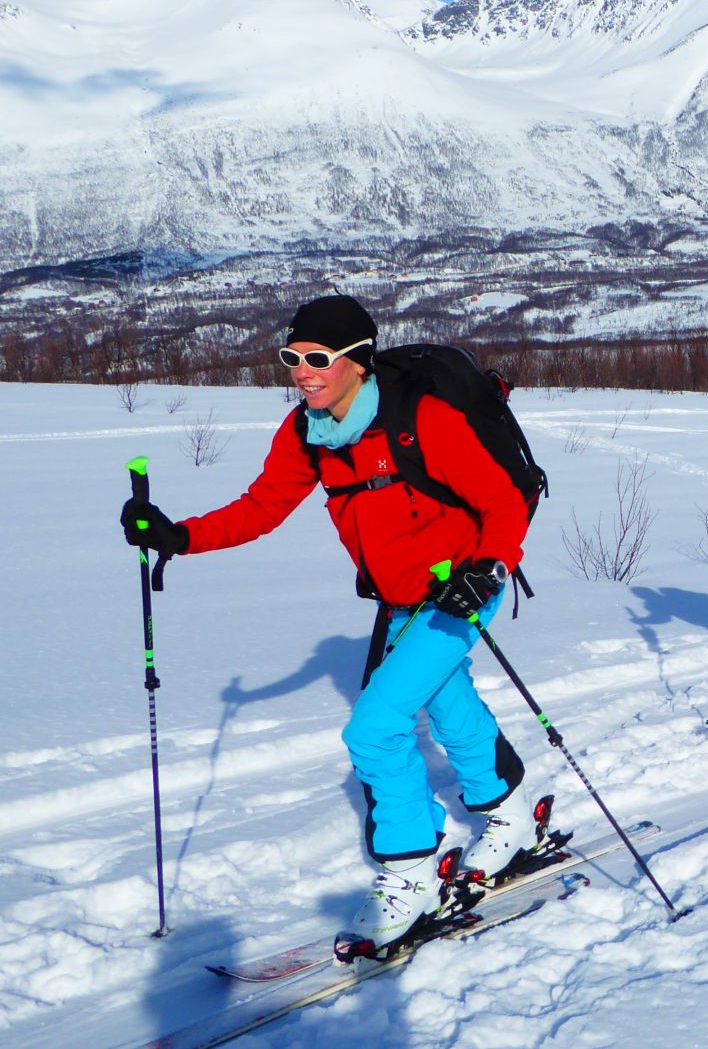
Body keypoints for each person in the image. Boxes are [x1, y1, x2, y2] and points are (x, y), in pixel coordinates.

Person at [118, 296, 534, 953]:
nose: (303, 372)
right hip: (402, 596)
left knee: (373, 727)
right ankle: (509, 816)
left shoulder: (421, 418)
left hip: (461, 586)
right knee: (448, 704)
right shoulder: (307, 432)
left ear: (358, 360)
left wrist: (487, 569)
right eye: (293, 358)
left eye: (318, 359)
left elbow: (502, 501)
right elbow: (262, 506)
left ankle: (409, 875)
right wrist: (180, 535)